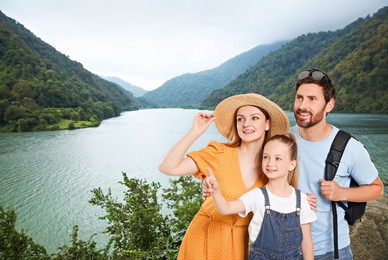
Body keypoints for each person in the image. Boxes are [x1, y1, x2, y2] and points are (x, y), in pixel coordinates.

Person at [159, 93, 291, 259]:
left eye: (254, 118)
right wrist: (195, 132)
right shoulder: (219, 153)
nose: (246, 124)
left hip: (243, 245)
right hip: (204, 238)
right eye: (240, 119)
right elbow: (168, 167)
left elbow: (285, 200)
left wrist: (304, 201)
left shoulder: (273, 167)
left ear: (267, 123)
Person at [289, 68, 384, 259]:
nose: (302, 105)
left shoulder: (349, 147)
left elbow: (377, 189)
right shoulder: (285, 139)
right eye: (299, 98)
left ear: (329, 105)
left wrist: (342, 193)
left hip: (331, 250)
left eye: (312, 99)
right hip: (285, 248)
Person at [204, 134, 317, 259]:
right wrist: (215, 190)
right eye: (266, 157)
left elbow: (306, 243)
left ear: (292, 165)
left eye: (278, 158)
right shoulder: (257, 196)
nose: (270, 163)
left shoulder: (302, 201)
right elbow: (226, 208)